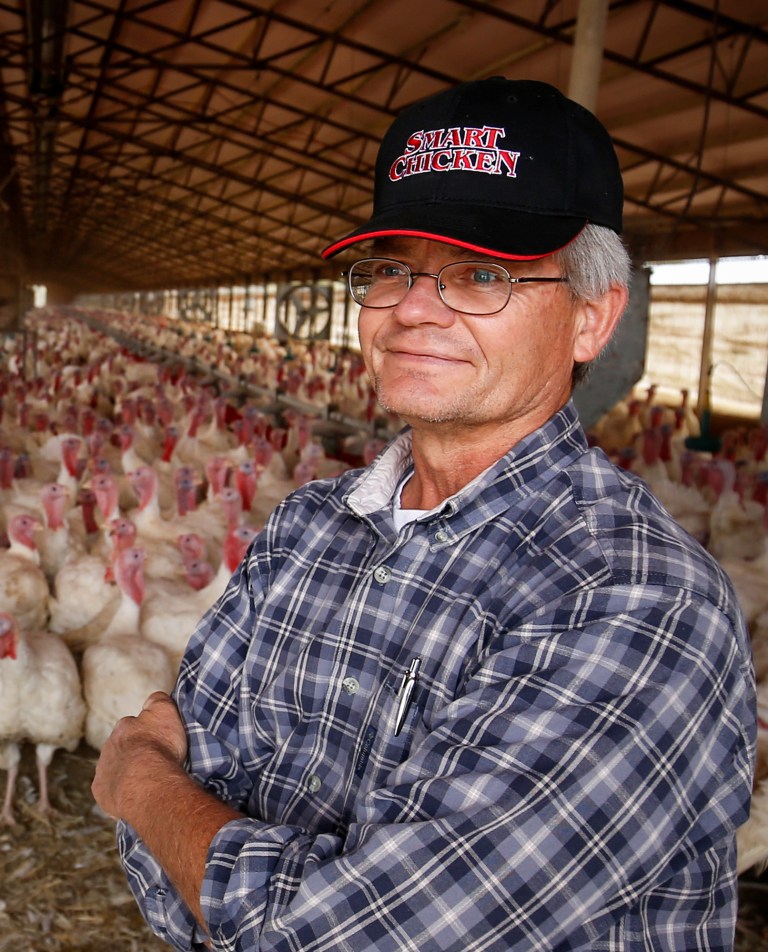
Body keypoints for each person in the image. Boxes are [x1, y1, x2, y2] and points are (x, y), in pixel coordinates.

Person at [93, 78, 756, 951]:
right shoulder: (306, 531)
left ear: (593, 319)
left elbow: (341, 940)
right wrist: (198, 848)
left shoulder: (638, 601)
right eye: (390, 270)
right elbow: (162, 876)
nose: (411, 308)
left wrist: (141, 781)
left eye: (481, 273)